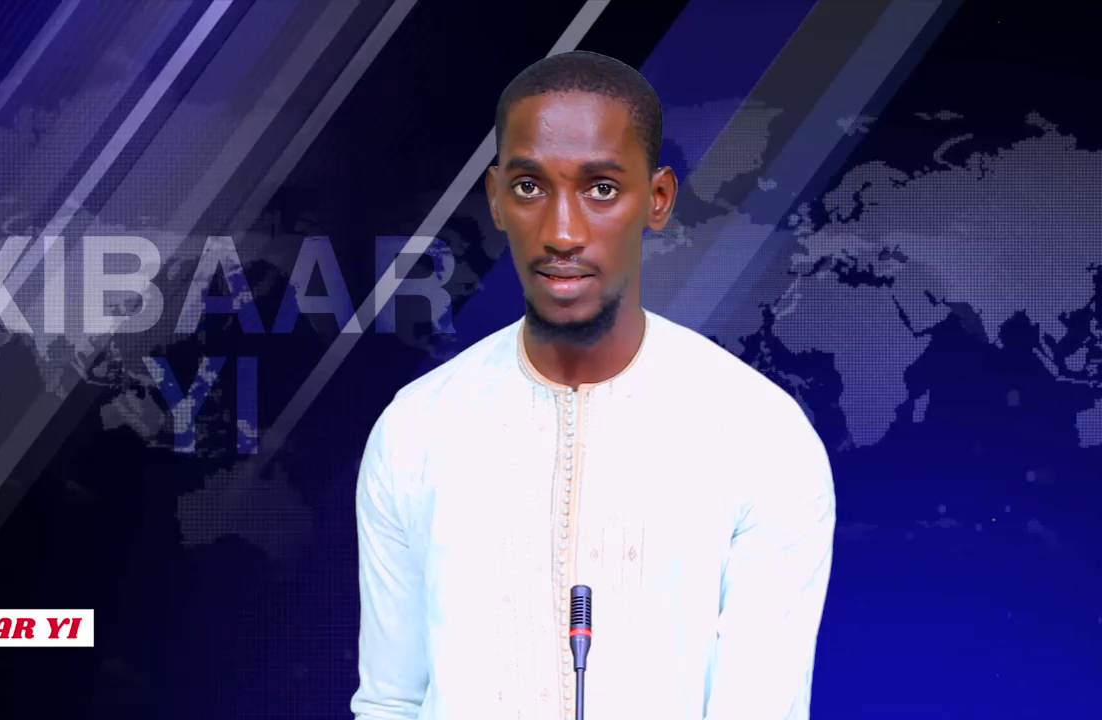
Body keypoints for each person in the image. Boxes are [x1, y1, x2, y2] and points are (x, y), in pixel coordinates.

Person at [351, 50, 835, 720]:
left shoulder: (761, 436)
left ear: (658, 199)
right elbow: (390, 701)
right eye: (530, 187)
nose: (562, 231)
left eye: (601, 189)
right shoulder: (417, 429)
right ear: (496, 198)